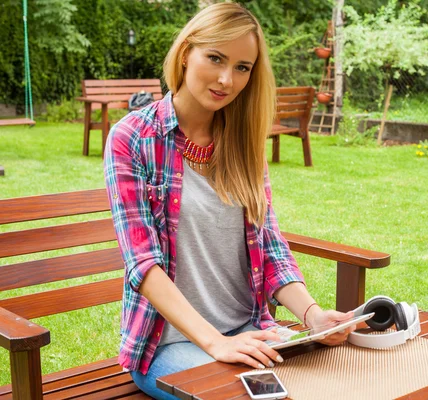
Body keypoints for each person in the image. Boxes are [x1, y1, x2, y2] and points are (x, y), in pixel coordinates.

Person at [104, 3, 354, 399]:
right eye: (215, 58)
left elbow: (269, 245)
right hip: (168, 345)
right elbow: (143, 264)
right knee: (266, 397)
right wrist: (215, 343)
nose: (226, 79)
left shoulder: (242, 143)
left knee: (343, 380)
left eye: (242, 67)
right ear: (187, 53)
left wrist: (313, 315)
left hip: (249, 330)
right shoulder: (132, 138)